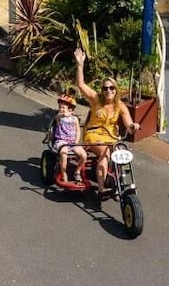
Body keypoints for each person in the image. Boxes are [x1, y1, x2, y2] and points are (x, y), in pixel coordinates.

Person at [74, 47, 139, 196]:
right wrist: (80, 65)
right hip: (94, 135)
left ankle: (119, 182)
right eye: (105, 88)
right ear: (102, 90)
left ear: (116, 90)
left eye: (111, 88)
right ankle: (102, 188)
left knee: (121, 153)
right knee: (104, 153)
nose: (108, 91)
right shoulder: (96, 99)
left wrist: (133, 127)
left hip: (112, 138)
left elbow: (129, 125)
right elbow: (81, 85)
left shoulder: (120, 106)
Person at [50, 92, 87, 184]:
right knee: (64, 153)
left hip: (72, 142)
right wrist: (62, 115)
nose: (61, 109)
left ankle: (77, 171)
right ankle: (63, 173)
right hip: (61, 141)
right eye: (60, 107)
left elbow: (78, 131)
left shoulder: (74, 119)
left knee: (83, 155)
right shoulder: (59, 117)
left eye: (63, 107)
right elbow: (56, 117)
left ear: (70, 109)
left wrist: (76, 141)